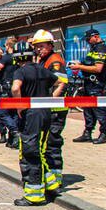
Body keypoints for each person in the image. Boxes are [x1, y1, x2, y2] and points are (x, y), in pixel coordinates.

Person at [11, 41, 67, 206]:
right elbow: (60, 82)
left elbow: (15, 88)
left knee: (29, 153)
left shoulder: (20, 72)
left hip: (31, 116)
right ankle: (51, 184)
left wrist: (20, 105)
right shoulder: (42, 69)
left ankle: (34, 195)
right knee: (41, 150)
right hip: (45, 114)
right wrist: (52, 99)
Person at [32, 29, 69, 195]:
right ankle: (51, 179)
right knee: (46, 144)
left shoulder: (54, 61)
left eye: (42, 46)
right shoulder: (44, 60)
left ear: (50, 45)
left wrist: (48, 101)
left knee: (52, 144)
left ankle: (56, 180)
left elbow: (60, 84)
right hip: (48, 109)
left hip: (55, 110)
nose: (39, 49)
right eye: (37, 46)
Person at [70, 28, 106, 144]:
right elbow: (90, 63)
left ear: (96, 36)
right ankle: (87, 133)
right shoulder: (93, 48)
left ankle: (104, 134)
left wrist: (79, 67)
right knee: (87, 110)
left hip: (96, 84)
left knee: (99, 109)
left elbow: (98, 68)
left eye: (89, 39)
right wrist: (80, 64)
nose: (88, 41)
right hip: (89, 83)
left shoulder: (102, 49)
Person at [0, 36, 18, 146]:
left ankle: (15, 132)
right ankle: (13, 140)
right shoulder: (18, 57)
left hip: (6, 89)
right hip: (17, 88)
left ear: (7, 46)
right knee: (14, 114)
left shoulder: (6, 57)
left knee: (2, 113)